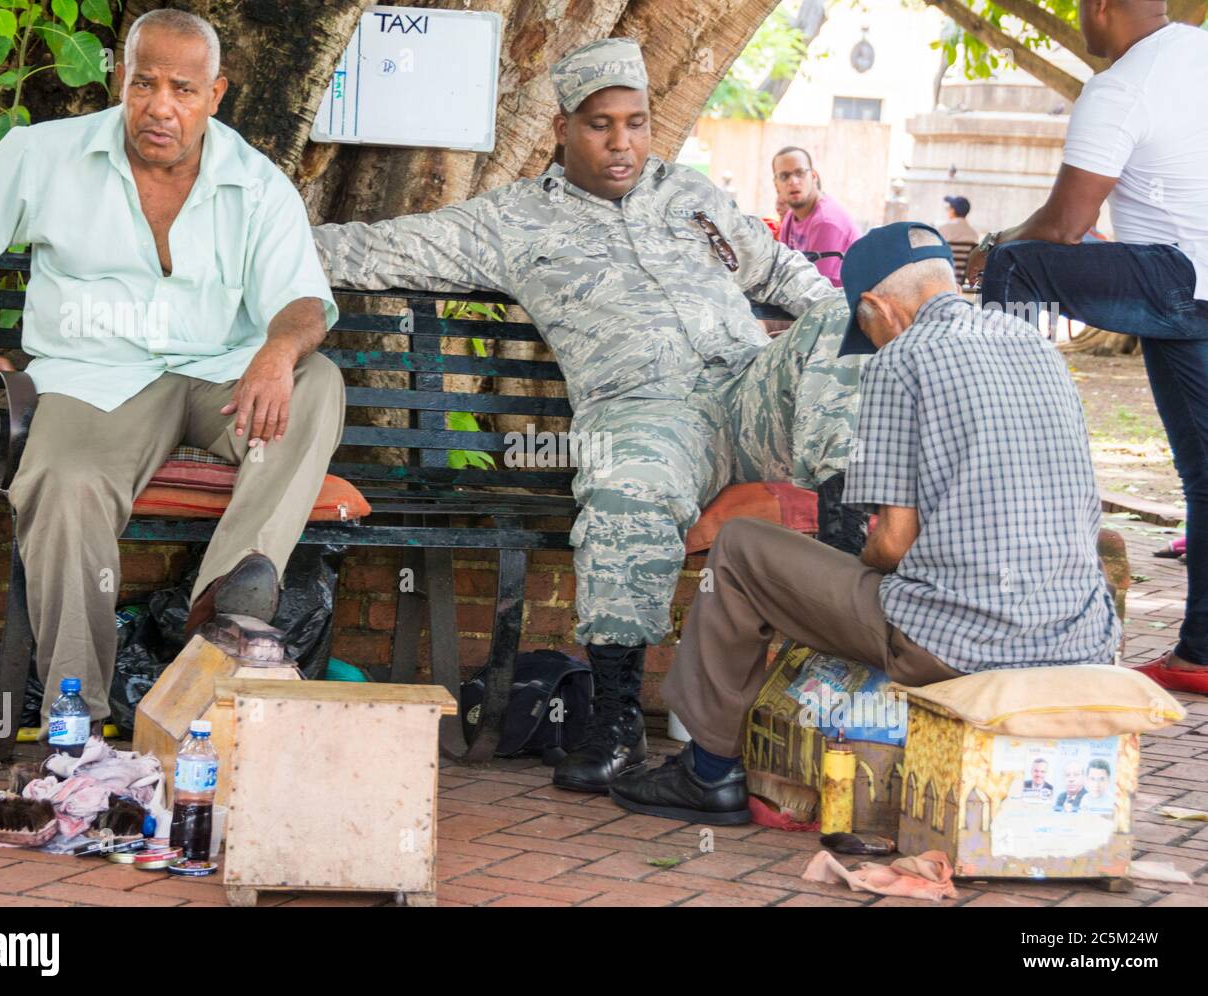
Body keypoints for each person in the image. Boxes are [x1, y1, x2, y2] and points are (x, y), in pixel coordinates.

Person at [313, 38, 868, 794]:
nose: (622, 143)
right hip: (647, 415)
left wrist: (842, 328)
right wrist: (240, 240)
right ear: (563, 129)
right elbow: (378, 250)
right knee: (624, 488)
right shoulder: (515, 221)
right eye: (601, 124)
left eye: (637, 123)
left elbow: (779, 272)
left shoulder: (692, 195)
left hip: (750, 390)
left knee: (847, 316)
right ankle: (613, 723)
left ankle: (851, 551)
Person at [608, 224, 1121, 825]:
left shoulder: (902, 358)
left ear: (877, 307)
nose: (870, 344)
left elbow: (894, 543)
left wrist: (872, 558)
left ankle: (710, 771)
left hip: (958, 642)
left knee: (743, 548)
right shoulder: (1034, 346)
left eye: (866, 329)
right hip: (1079, 633)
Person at [0, 10, 345, 737]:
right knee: (60, 484)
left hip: (221, 380)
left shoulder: (256, 183)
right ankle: (75, 718)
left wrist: (277, 353)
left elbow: (305, 303)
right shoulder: (46, 154)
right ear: (118, 80)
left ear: (215, 95)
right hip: (94, 380)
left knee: (318, 382)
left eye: (183, 89)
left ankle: (230, 603)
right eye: (144, 83)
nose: (161, 106)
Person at [966, 1, 1208, 695]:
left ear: (1100, 8)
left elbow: (1066, 226)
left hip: (1177, 281)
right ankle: (1199, 653)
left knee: (1018, 262)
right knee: (1204, 476)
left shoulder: (1121, 82)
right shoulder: (1197, 50)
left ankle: (1000, 459)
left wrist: (998, 245)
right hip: (1194, 286)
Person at [772, 146, 861, 286]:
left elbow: (818, 291)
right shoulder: (790, 217)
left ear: (813, 177)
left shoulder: (826, 222)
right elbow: (782, 270)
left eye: (799, 173)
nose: (793, 181)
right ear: (776, 185)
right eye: (784, 176)